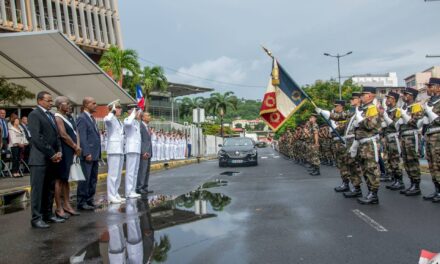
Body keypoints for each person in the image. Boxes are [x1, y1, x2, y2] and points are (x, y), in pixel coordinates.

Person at [28, 91, 64, 229]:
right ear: (40, 101)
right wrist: (51, 153)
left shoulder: (50, 115)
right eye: (48, 101)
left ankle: (47, 214)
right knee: (38, 190)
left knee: (49, 188)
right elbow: (37, 137)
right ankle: (36, 218)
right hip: (39, 159)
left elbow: (56, 136)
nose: (51, 103)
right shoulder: (34, 114)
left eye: (51, 100)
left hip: (52, 159)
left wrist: (59, 151)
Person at [353, 87, 382, 205]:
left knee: (372, 168)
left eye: (364, 94)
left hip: (370, 143)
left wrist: (361, 120)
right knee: (365, 169)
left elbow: (370, 125)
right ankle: (370, 192)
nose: (361, 97)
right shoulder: (364, 109)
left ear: (370, 95)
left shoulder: (372, 108)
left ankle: (374, 194)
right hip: (362, 143)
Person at [54, 96, 81, 218]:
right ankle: (59, 207)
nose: (69, 105)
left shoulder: (68, 117)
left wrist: (77, 147)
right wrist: (75, 146)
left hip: (71, 151)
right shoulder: (58, 117)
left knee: (66, 180)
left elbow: (75, 132)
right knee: (60, 179)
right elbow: (63, 135)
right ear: (60, 105)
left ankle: (67, 204)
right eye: (67, 103)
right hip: (64, 151)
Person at [398, 88, 424, 196]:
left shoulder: (416, 106)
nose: (404, 96)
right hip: (404, 137)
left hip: (412, 137)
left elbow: (416, 122)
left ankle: (416, 185)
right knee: (406, 162)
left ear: (412, 96)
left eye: (406, 94)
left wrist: (405, 116)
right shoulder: (405, 107)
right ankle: (412, 183)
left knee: (412, 161)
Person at [76, 97, 101, 210]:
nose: (96, 105)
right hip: (88, 154)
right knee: (85, 179)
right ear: (86, 105)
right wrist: (86, 153)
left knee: (93, 179)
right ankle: (82, 202)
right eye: (93, 103)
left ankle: (90, 199)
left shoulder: (92, 118)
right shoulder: (82, 118)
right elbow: (82, 137)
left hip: (95, 154)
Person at [422, 77, 440, 203]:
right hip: (429, 136)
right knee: (432, 165)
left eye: (431, 86)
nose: (428, 89)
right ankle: (437, 190)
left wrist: (431, 114)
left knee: (438, 163)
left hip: (438, 136)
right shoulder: (429, 102)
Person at [382, 92, 404, 191]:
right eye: (387, 98)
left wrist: (386, 118)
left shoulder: (397, 111)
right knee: (389, 159)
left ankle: (400, 181)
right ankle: (394, 179)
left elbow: (395, 125)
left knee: (396, 160)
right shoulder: (387, 111)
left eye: (389, 98)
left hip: (394, 138)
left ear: (394, 99)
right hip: (387, 138)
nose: (387, 100)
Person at [104, 100, 125, 204]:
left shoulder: (118, 121)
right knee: (113, 174)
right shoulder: (109, 118)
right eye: (118, 107)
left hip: (120, 149)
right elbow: (107, 119)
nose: (120, 109)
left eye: (120, 107)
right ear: (112, 109)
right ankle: (111, 195)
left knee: (118, 174)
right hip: (113, 149)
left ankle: (115, 193)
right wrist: (111, 111)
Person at [124, 108, 142, 199]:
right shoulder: (127, 120)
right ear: (130, 112)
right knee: (130, 171)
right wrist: (133, 114)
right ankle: (128, 191)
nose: (139, 113)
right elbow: (128, 124)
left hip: (137, 149)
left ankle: (132, 190)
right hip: (131, 148)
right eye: (136, 111)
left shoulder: (137, 123)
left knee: (135, 171)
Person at [136, 111, 153, 194]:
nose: (150, 116)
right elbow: (140, 140)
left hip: (149, 151)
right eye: (148, 115)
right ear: (143, 118)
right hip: (144, 152)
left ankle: (145, 187)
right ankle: (139, 187)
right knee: (142, 170)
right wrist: (143, 152)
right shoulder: (140, 126)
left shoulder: (147, 126)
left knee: (147, 171)